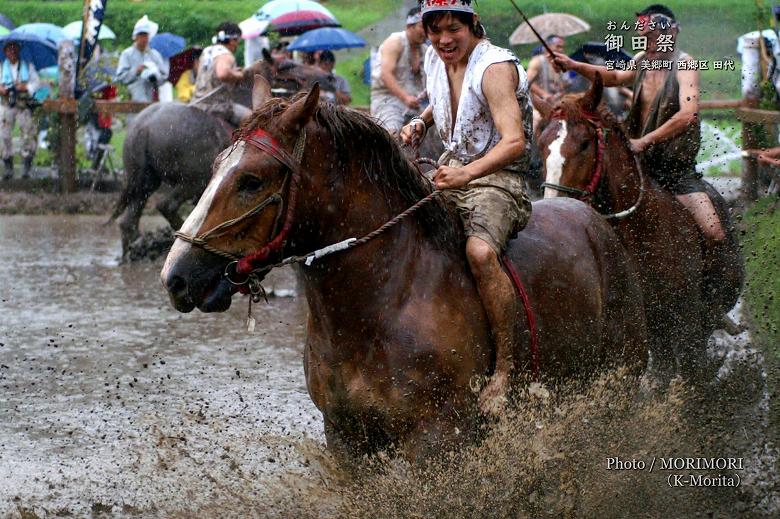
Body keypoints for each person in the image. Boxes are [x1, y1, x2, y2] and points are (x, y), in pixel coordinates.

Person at [400, 0, 534, 415]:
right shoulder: (435, 56)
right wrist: (421, 120)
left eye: (452, 29)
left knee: (478, 252)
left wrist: (467, 175)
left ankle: (506, 369)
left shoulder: (494, 68)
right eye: (434, 30)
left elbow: (515, 142)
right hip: (451, 169)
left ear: (472, 24)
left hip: (500, 178)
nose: (443, 39)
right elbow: (449, 95)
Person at [551, 4, 726, 246]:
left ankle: (712, 284)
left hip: (674, 170)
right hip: (637, 163)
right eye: (644, 38)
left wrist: (644, 141)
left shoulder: (686, 65)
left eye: (653, 38)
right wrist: (574, 65)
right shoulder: (643, 60)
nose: (648, 44)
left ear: (671, 33)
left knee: (713, 232)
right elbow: (614, 77)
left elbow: (688, 116)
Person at [371, 6, 429, 135]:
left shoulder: (425, 50)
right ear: (410, 26)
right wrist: (406, 98)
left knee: (432, 134)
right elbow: (386, 74)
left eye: (429, 27)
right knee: (392, 133)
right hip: (388, 100)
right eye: (422, 27)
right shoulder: (395, 41)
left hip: (414, 104)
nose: (426, 31)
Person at [191, 22, 252, 127]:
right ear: (233, 40)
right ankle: (241, 143)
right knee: (252, 118)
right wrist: (241, 75)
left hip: (197, 103)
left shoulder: (206, 51)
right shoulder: (226, 55)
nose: (237, 44)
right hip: (217, 106)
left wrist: (233, 71)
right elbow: (222, 74)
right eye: (238, 41)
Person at [1, 40, 40, 179]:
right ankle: (8, 166)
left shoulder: (27, 66)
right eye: (9, 49)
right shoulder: (1, 67)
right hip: (7, 105)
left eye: (14, 49)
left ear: (18, 50)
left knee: (27, 134)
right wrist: (2, 89)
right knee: (4, 135)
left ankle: (27, 167)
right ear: (5, 52)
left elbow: (37, 82)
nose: (12, 51)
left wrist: (25, 87)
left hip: (24, 105)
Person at [115, 15, 169, 103]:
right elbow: (120, 77)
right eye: (141, 35)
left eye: (145, 35)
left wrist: (155, 76)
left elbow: (164, 77)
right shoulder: (127, 54)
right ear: (135, 36)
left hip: (152, 102)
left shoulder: (155, 55)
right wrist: (136, 71)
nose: (143, 38)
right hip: (132, 102)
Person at [526, 34, 568, 106]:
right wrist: (544, 94)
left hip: (558, 104)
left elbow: (564, 85)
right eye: (558, 47)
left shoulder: (562, 63)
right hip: (538, 106)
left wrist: (562, 92)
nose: (561, 50)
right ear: (548, 46)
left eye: (562, 47)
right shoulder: (537, 62)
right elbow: (526, 82)